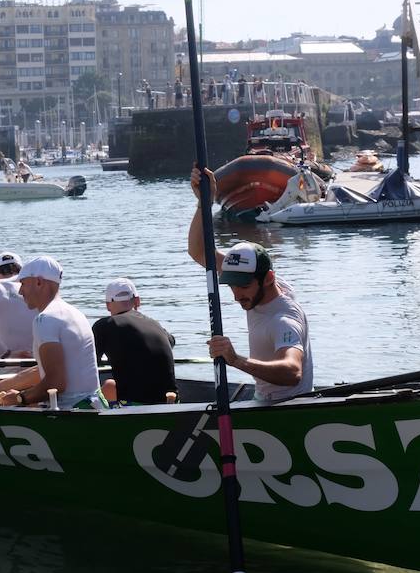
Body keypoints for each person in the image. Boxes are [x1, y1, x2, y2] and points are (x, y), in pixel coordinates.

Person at [189, 166, 313, 401]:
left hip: (287, 409)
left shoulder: (283, 320)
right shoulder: (264, 277)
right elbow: (198, 252)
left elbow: (292, 371)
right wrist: (204, 203)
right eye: (232, 285)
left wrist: (236, 360)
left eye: (243, 286)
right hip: (262, 397)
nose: (237, 294)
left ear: (268, 279)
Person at [0, 256, 102, 409]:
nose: (20, 291)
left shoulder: (45, 319)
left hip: (74, 411)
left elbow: (56, 382)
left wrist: (20, 398)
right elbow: (42, 370)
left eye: (23, 283)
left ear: (39, 282)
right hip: (94, 404)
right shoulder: (74, 313)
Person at [92, 278, 177, 405]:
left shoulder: (103, 326)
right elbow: (171, 341)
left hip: (135, 406)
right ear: (137, 301)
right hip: (171, 402)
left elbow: (89, 365)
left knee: (97, 392)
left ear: (108, 305)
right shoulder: (155, 324)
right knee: (111, 385)